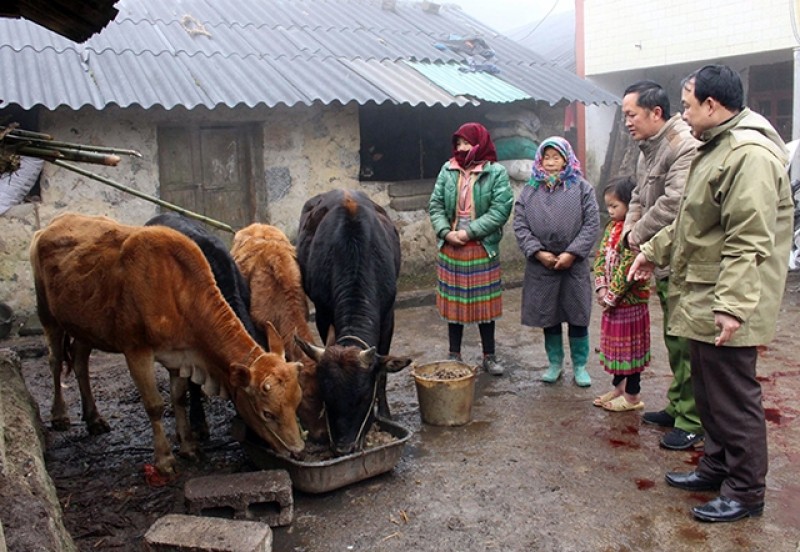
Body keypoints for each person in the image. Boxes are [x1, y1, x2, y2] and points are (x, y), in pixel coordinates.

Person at [629, 64, 793, 523]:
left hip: (727, 298)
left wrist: (733, 308)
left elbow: (748, 237)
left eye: (686, 105)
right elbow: (691, 222)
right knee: (708, 392)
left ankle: (745, 491)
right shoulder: (714, 148)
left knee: (733, 398)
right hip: (704, 292)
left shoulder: (748, 156)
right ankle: (718, 466)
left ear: (712, 105)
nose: (682, 114)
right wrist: (651, 250)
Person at [621, 80, 704, 450]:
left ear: (656, 113)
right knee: (673, 338)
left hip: (683, 260)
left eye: (631, 114)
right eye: (624, 115)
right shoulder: (647, 149)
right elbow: (638, 195)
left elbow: (674, 204)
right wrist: (630, 233)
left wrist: (637, 233)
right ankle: (677, 405)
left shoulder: (682, 146)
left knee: (687, 343)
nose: (627, 122)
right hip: (660, 256)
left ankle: (692, 420)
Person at [513, 137, 600, 386]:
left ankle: (580, 366)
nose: (551, 163)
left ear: (566, 159)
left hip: (574, 264)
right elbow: (519, 225)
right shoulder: (530, 190)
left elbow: (592, 223)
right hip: (542, 265)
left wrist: (572, 253)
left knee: (577, 315)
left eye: (556, 157)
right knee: (547, 316)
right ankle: (555, 363)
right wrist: (539, 252)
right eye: (546, 157)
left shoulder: (582, 188)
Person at [428, 122, 514, 375]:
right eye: (459, 144)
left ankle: (490, 356)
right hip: (452, 246)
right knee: (454, 306)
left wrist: (469, 232)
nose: (462, 149)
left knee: (484, 307)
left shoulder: (495, 172)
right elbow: (436, 205)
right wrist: (446, 232)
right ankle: (454, 355)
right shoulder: (448, 169)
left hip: (480, 246)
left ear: (480, 143)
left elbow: (500, 210)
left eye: (467, 143)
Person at [592, 175, 650, 411]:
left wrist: (611, 296)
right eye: (608, 206)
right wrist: (601, 286)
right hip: (612, 303)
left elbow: (629, 267)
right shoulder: (610, 228)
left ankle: (633, 396)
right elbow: (599, 258)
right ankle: (619, 387)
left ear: (629, 204)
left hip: (630, 303)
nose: (611, 211)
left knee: (631, 350)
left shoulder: (635, 232)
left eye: (615, 206)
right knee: (615, 348)